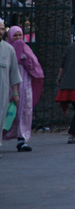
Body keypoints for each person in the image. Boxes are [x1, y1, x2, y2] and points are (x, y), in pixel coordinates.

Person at [4, 25, 42, 152]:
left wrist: (25, 59)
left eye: (20, 35)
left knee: (24, 111)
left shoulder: (27, 50)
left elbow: (35, 67)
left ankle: (22, 139)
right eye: (15, 35)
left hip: (25, 86)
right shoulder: (6, 49)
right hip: (8, 85)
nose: (18, 38)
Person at [0, 18, 22, 157]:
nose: (1, 32)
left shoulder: (9, 50)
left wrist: (15, 93)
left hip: (3, 91)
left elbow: (14, 72)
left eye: (2, 29)